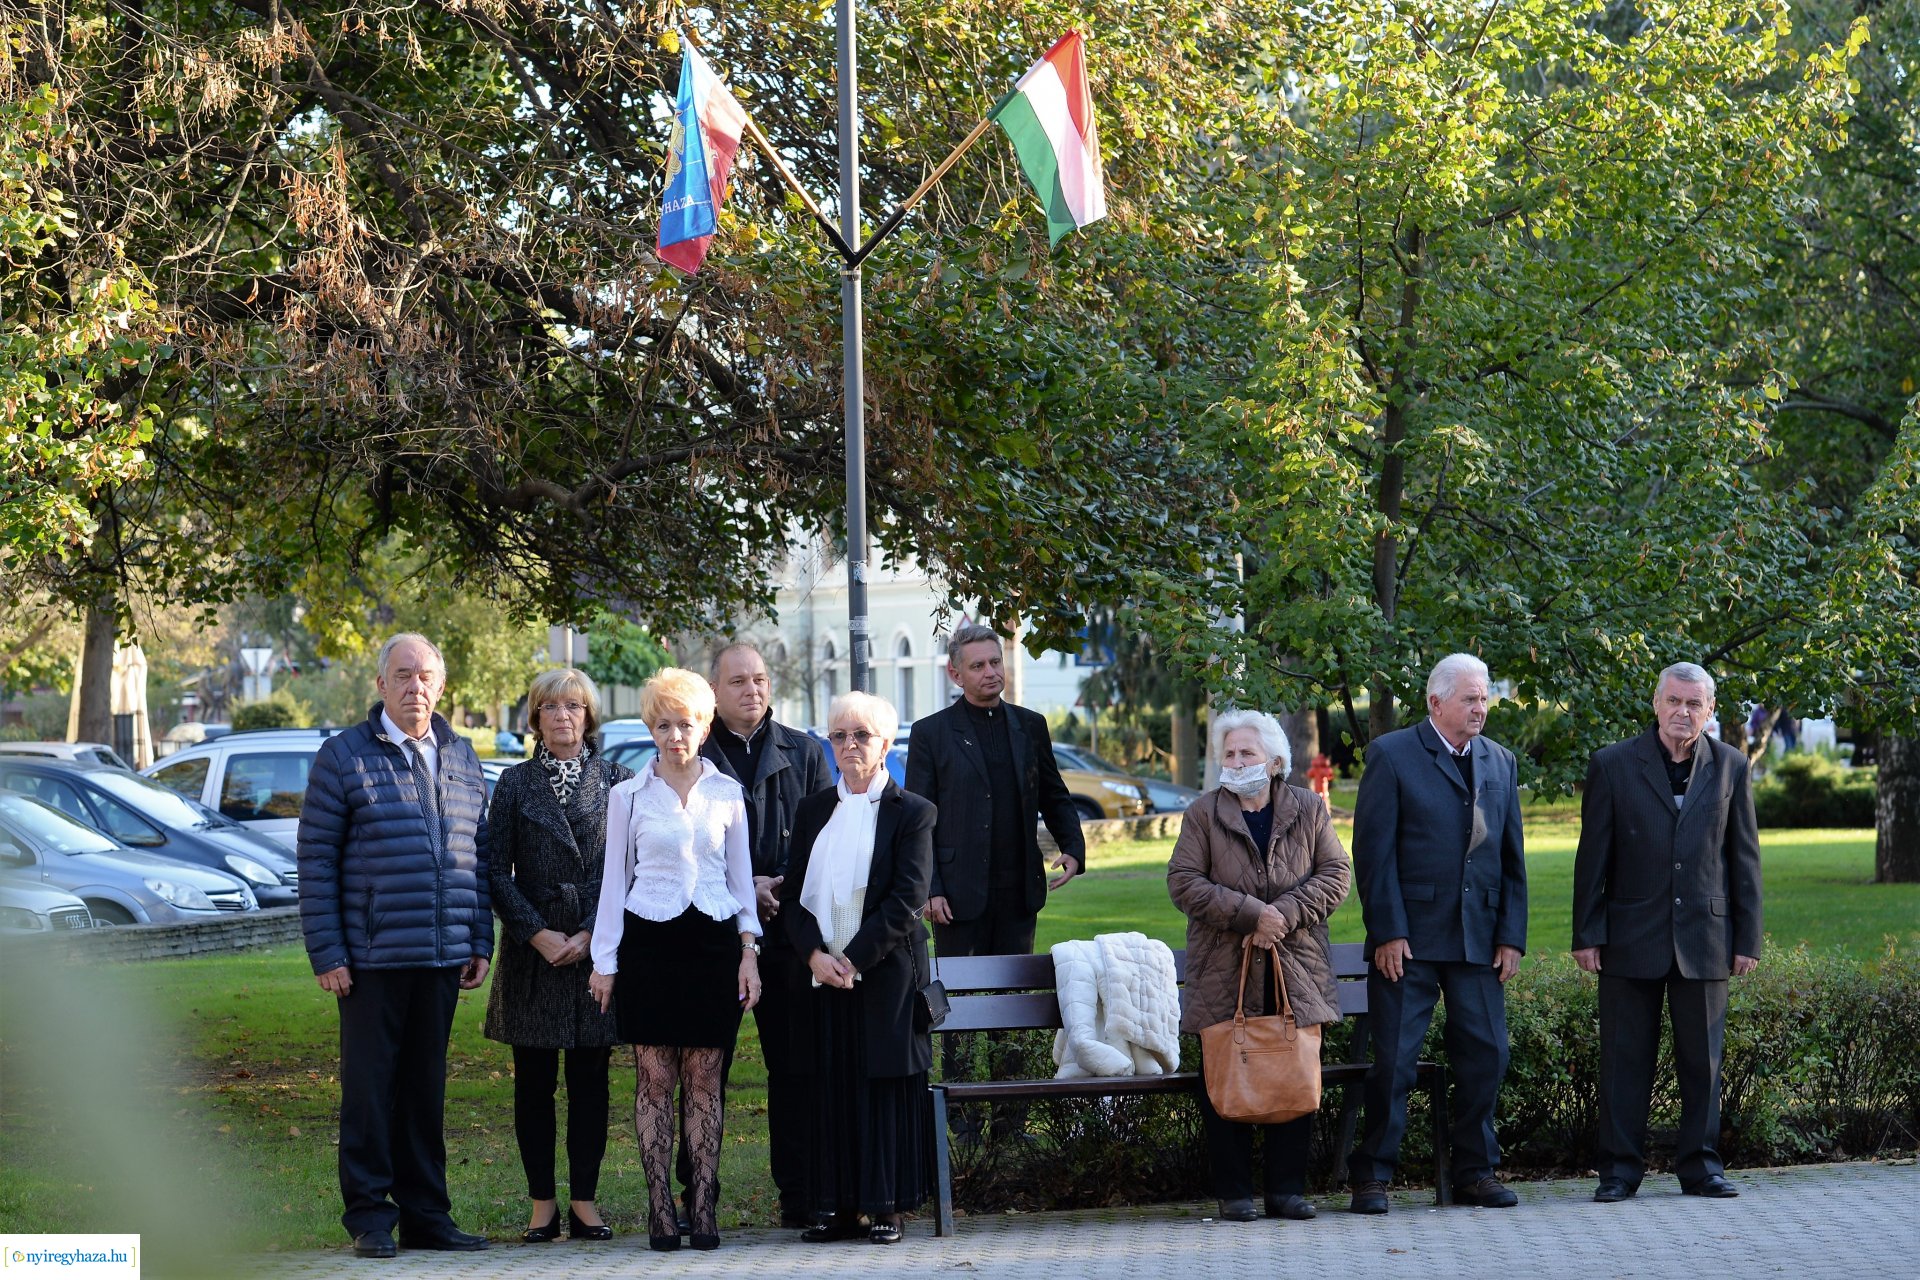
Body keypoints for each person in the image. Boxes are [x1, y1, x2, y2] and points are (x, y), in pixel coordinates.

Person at [296, 632, 493, 1259]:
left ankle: (427, 1215)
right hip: (372, 958)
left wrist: (478, 936)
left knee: (424, 1093)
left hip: (442, 954)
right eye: (404, 675)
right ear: (381, 685)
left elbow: (477, 856)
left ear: (442, 686)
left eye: (427, 676)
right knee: (370, 1090)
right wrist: (328, 953)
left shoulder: (460, 755)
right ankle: (370, 1218)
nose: (417, 687)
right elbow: (316, 861)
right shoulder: (344, 756)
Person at [1572, 662, 1762, 1203]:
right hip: (1630, 936)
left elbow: (1744, 859)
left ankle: (1702, 1169)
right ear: (1656, 704)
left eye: (1694, 704)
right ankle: (1618, 1172)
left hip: (1706, 938)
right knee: (1624, 1061)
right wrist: (1587, 933)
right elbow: (1593, 858)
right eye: (1674, 701)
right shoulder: (1612, 765)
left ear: (1709, 711)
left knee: (1703, 1063)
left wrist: (1747, 939)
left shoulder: (1731, 768)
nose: (1683, 712)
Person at [1347, 653, 1529, 1214]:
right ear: (1435, 702)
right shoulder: (1393, 755)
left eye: (1484, 698)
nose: (1481, 708)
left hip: (1478, 939)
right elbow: (1373, 856)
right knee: (1395, 1062)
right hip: (1412, 941)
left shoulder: (1500, 761)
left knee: (1488, 1055)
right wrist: (1388, 932)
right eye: (1470, 699)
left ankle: (1476, 1173)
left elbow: (1510, 856)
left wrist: (1510, 936)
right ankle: (1373, 1176)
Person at [588, 668, 761, 1252]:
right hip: (649, 944)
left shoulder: (728, 793)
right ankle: (661, 1210)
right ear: (650, 729)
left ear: (703, 725)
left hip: (713, 944)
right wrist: (604, 961)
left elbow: (741, 883)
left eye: (684, 723)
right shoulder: (627, 796)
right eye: (662, 725)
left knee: (706, 1079)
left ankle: (703, 1205)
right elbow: (614, 884)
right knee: (655, 1079)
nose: (674, 735)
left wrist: (748, 955)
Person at [1168, 710, 1350, 1224]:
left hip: (1296, 964)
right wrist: (1252, 915)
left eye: (1246, 753)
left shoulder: (1308, 808)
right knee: (1228, 1067)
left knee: (1292, 1070)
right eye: (1228, 754)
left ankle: (1287, 1192)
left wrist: (1284, 915)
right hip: (1225, 966)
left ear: (1274, 761)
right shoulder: (1204, 813)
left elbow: (1336, 872)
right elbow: (1183, 881)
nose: (1235, 761)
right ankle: (1234, 1193)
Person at [780, 691, 936, 1245]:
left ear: (886, 744)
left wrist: (851, 958)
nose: (849, 745)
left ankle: (887, 1206)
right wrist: (816, 957)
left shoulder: (913, 812)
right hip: (823, 978)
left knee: (883, 1087)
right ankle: (839, 1207)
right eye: (840, 736)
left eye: (861, 735)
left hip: (886, 975)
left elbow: (907, 899)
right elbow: (794, 894)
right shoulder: (812, 809)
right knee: (831, 1088)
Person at [682, 642, 830, 1229]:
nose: (753, 690)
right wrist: (747, 886)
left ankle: (800, 1191)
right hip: (713, 935)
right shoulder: (693, 753)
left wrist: (777, 887)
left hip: (790, 935)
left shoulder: (806, 752)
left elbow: (826, 842)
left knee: (794, 1066)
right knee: (703, 1069)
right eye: (739, 681)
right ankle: (697, 1196)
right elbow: (675, 846)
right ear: (714, 691)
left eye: (761, 679)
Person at [482, 669, 633, 1242]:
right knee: (533, 1084)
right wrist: (536, 933)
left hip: (596, 951)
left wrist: (593, 933)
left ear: (589, 715)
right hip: (533, 955)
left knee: (592, 1082)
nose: (562, 716)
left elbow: (627, 870)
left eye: (573, 705)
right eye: (550, 706)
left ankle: (586, 1201)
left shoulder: (619, 780)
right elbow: (496, 871)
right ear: (535, 717)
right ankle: (542, 1203)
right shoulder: (516, 783)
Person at [904, 621, 1084, 958]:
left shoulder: (1031, 725)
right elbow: (918, 820)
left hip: (1019, 894)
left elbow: (1054, 794)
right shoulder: (931, 734)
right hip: (956, 897)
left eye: (995, 662)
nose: (991, 672)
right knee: (962, 1002)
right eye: (978, 666)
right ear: (955, 674)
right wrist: (931, 889)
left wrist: (1073, 846)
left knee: (1014, 994)